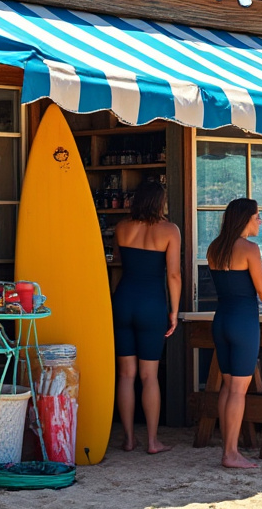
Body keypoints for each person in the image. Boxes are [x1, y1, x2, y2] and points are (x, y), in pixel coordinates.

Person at [207, 198, 262, 468]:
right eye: (257, 216)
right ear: (245, 218)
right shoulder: (249, 249)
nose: (260, 221)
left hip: (222, 320)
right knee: (238, 392)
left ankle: (228, 449)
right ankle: (230, 454)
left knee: (228, 387)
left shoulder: (214, 247)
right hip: (243, 322)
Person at [111, 183, 181, 454]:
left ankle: (128, 439)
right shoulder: (169, 230)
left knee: (126, 374)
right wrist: (173, 312)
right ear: (160, 202)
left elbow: (119, 261)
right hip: (152, 303)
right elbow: (174, 275)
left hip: (123, 300)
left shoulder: (122, 227)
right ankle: (152, 441)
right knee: (149, 376)